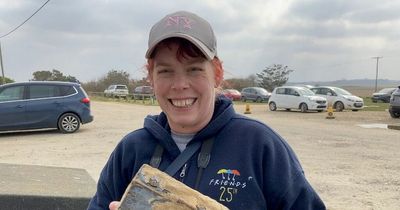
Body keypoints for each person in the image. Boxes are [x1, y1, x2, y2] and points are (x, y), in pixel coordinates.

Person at [88, 10, 326, 210]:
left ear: (217, 73)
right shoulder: (131, 149)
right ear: (151, 77)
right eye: (165, 71)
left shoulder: (260, 146)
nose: (180, 85)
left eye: (194, 69)